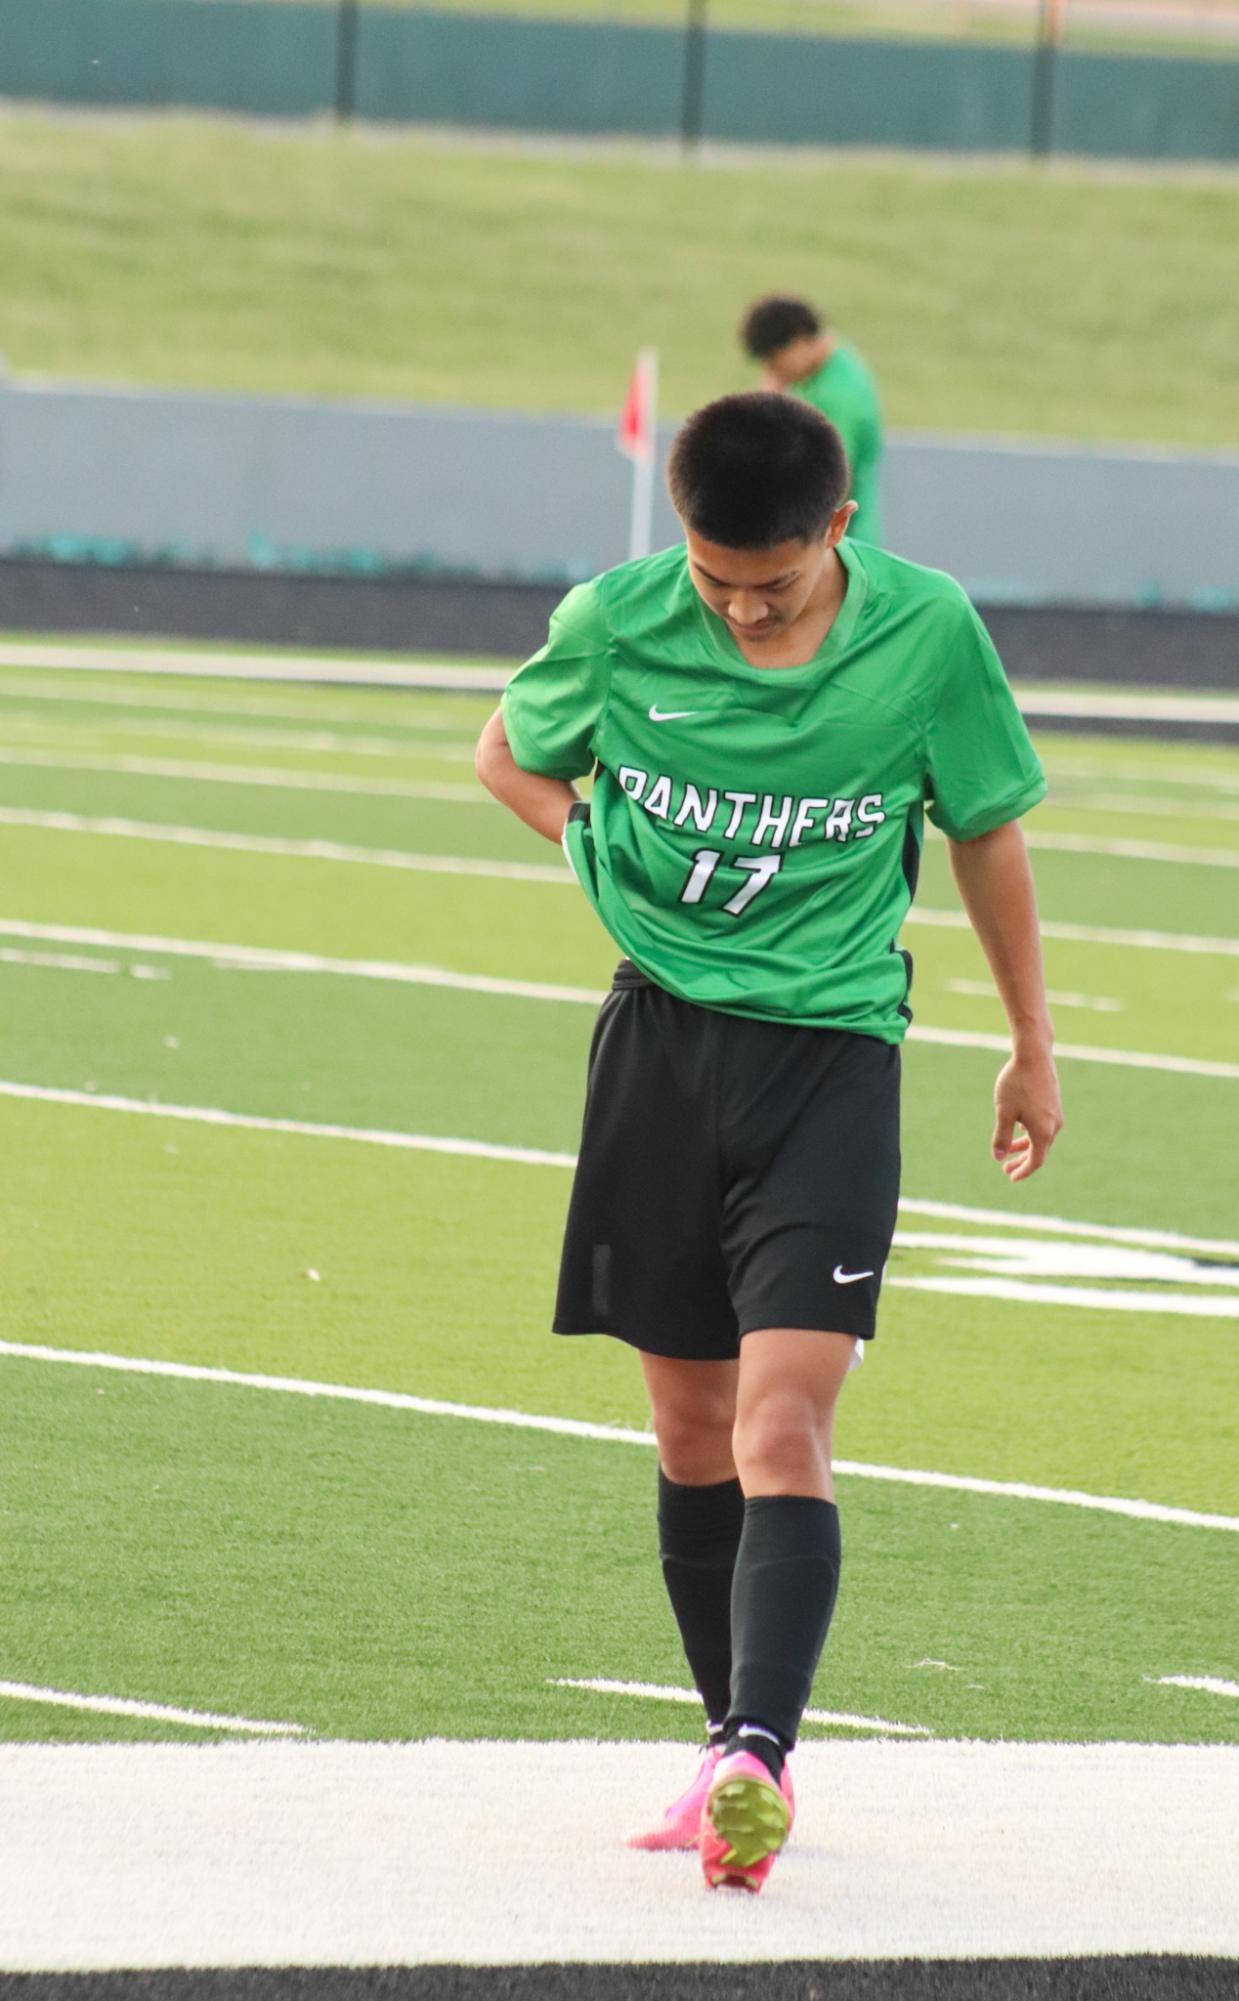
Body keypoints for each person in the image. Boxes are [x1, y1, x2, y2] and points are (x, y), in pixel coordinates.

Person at [475, 392, 1062, 1895]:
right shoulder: (617, 620)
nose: (739, 608)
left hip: (830, 1065)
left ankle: (758, 1752)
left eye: (774, 584)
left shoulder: (927, 634)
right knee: (684, 1432)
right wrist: (594, 850)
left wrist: (1028, 1043)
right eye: (714, 578)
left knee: (777, 1424)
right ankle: (725, 1750)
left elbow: (987, 829)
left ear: (839, 529)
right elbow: (507, 754)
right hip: (657, 1053)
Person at [740, 294, 884, 547]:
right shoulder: (819, 370)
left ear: (798, 341)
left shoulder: (839, 396)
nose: (771, 372)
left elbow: (833, 484)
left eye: (774, 361)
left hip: (838, 547)